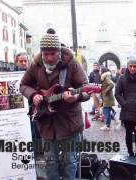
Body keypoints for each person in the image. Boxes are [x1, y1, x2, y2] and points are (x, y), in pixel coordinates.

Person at [20, 29, 90, 180]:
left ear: (59, 52)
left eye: (53, 54)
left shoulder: (71, 63)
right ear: (41, 52)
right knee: (50, 162)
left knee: (69, 161)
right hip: (46, 122)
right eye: (46, 54)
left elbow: (86, 89)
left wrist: (76, 97)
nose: (49, 58)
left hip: (68, 122)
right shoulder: (35, 64)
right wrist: (33, 95)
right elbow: (23, 85)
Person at [115, 58, 136, 157]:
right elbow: (117, 94)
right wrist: (124, 103)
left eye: (134, 66)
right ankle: (130, 152)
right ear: (128, 67)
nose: (133, 68)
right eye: (131, 66)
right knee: (128, 133)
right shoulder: (122, 78)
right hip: (127, 110)